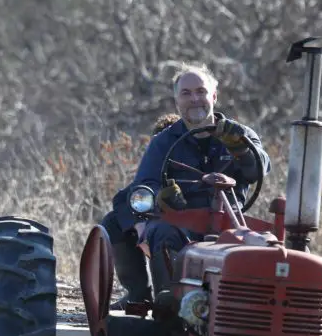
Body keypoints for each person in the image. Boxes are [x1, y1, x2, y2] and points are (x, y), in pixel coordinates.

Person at [100, 63, 272, 308]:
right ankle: (159, 300)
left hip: (228, 221)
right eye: (186, 94)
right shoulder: (164, 141)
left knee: (268, 242)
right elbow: (145, 185)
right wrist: (162, 197)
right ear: (176, 101)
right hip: (182, 221)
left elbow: (258, 170)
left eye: (201, 92)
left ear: (214, 96)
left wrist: (241, 149)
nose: (195, 100)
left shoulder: (240, 134)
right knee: (135, 223)